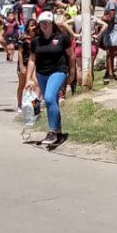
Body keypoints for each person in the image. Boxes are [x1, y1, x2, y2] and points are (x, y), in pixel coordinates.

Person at [26, 12, 73, 147]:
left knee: (49, 98)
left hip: (58, 71)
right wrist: (29, 78)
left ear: (52, 23)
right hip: (41, 73)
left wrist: (72, 73)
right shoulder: (36, 41)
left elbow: (71, 56)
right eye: (41, 23)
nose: (44, 25)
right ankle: (58, 132)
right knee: (52, 102)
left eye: (46, 23)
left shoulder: (62, 38)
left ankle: (52, 131)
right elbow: (32, 60)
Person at [96, 0, 117, 82]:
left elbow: (111, 17)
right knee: (109, 52)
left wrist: (101, 18)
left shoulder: (111, 2)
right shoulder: (107, 3)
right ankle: (110, 74)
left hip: (114, 30)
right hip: (108, 31)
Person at [15, 17, 38, 113]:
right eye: (31, 25)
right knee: (22, 84)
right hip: (24, 63)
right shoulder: (23, 38)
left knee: (36, 84)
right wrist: (21, 66)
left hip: (33, 64)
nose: (33, 27)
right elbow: (20, 53)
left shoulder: (37, 38)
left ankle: (35, 107)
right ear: (27, 27)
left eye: (35, 25)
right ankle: (19, 105)